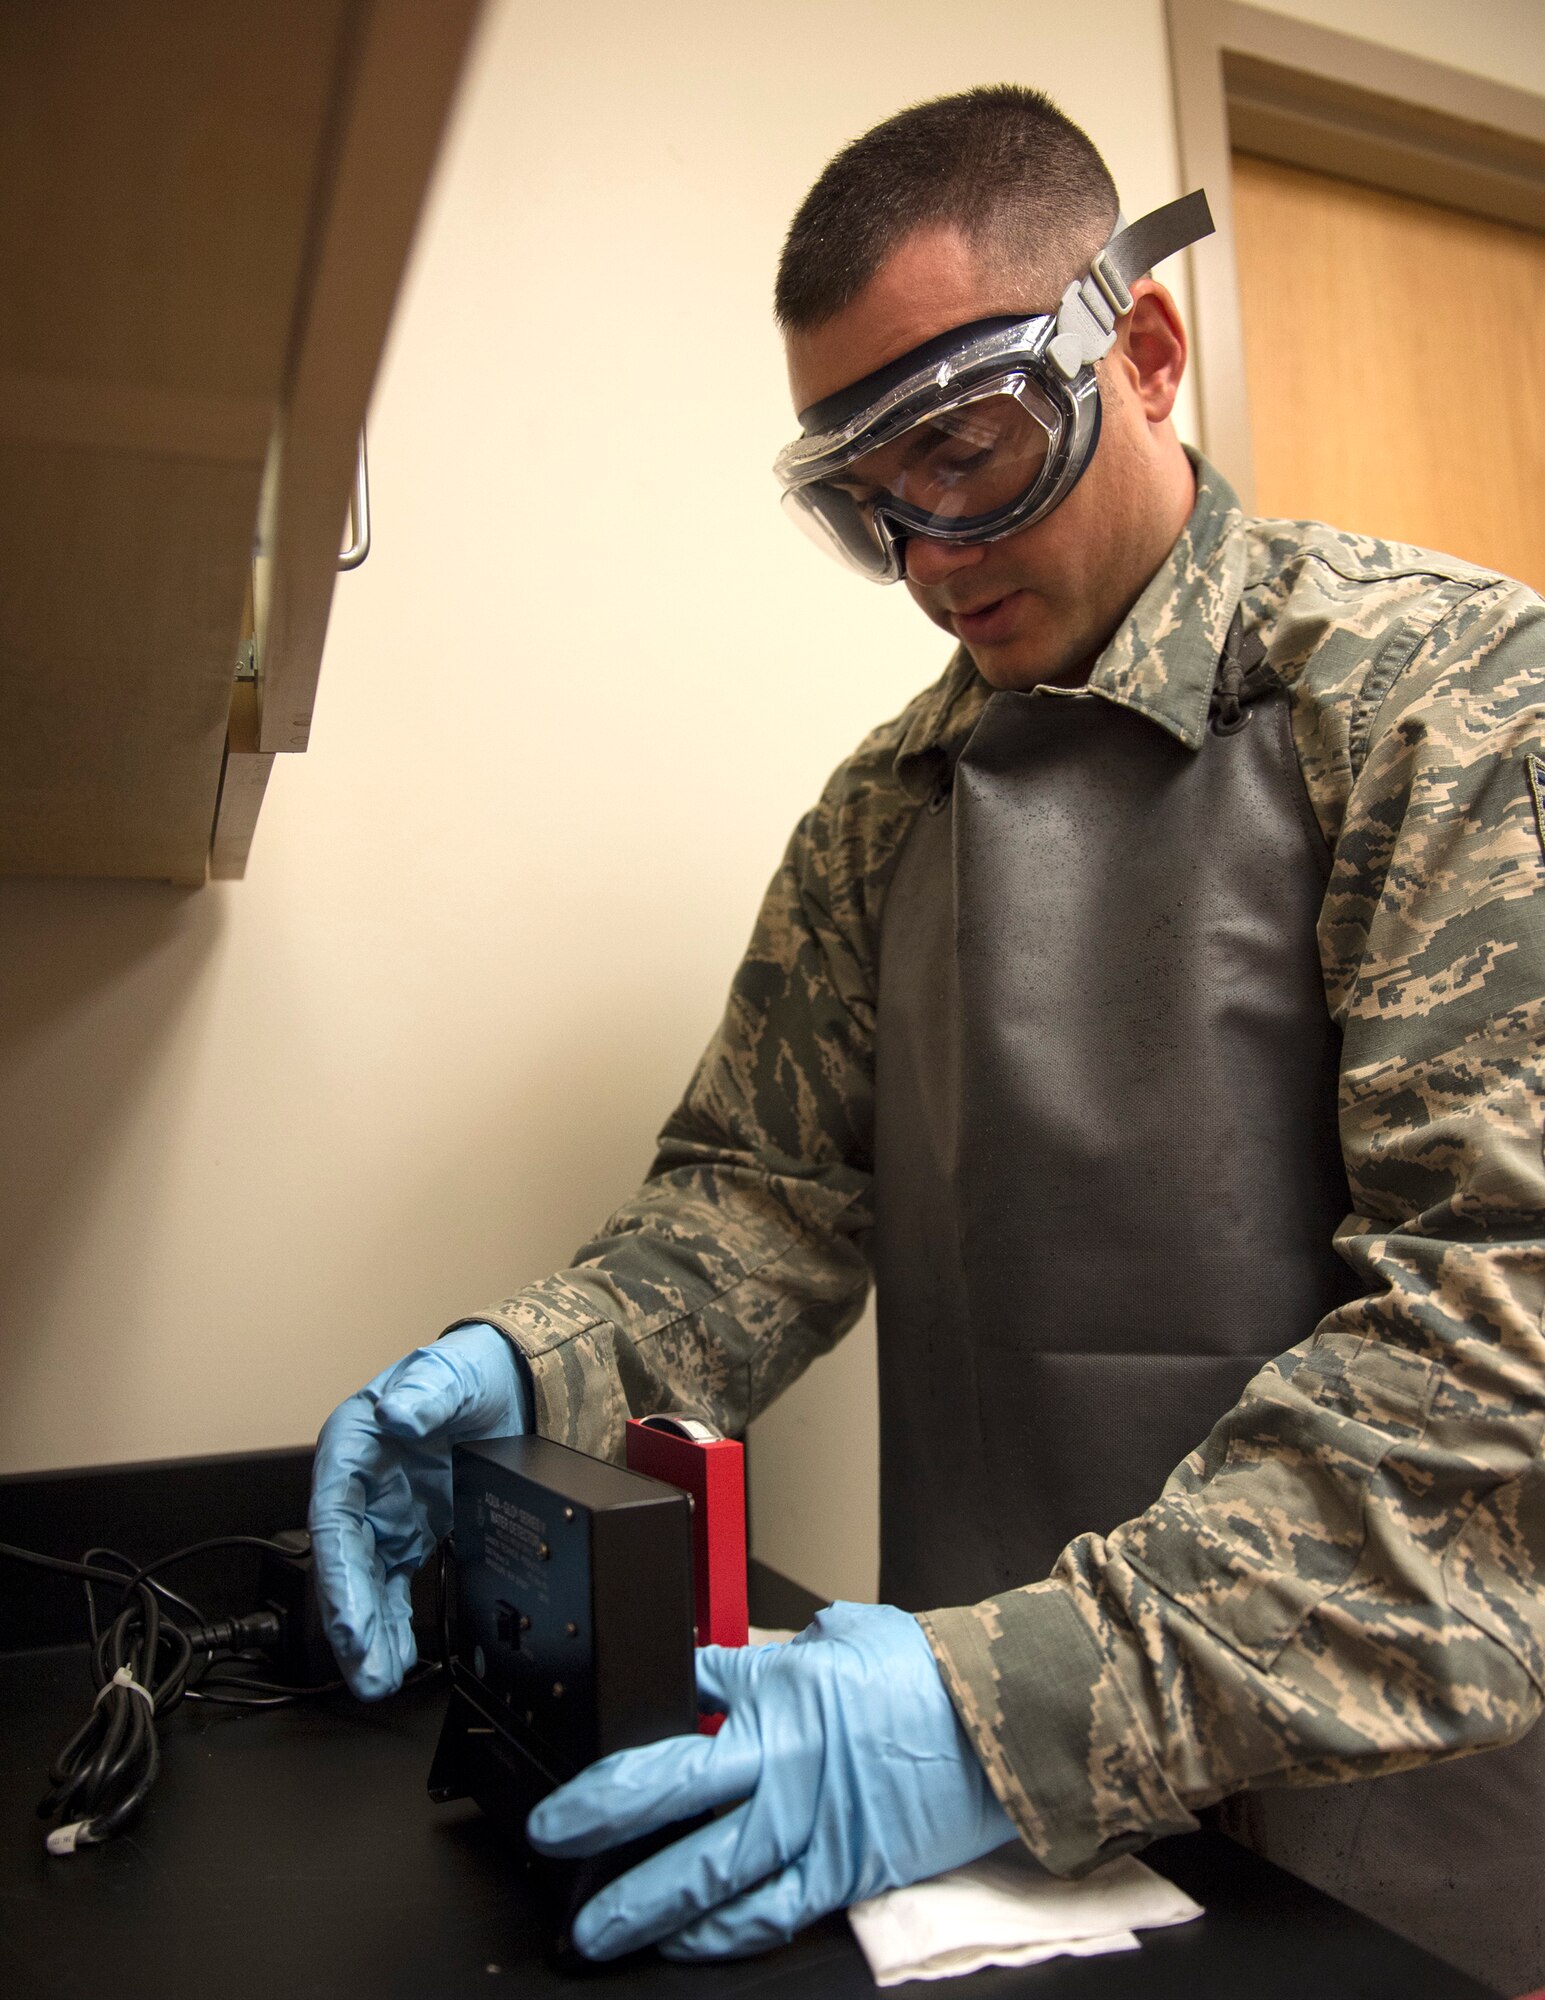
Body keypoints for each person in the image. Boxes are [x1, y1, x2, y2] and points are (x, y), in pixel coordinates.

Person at [308, 87, 1545, 1990]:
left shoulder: (1446, 700)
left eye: (967, 452)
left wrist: (1005, 1709)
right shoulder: (890, 809)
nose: (930, 556)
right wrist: (525, 1362)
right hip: (997, 1834)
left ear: (1139, 350)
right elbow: (757, 1206)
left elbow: (1497, 1345)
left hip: (1381, 1837)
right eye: (864, 505)